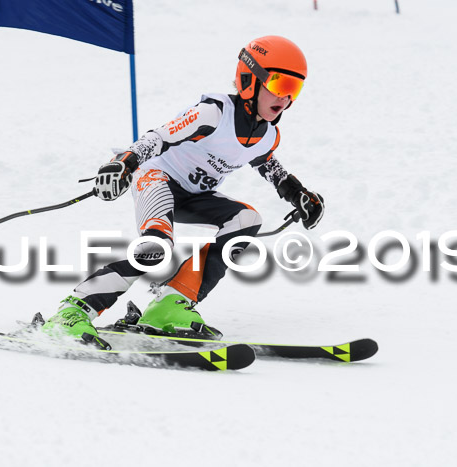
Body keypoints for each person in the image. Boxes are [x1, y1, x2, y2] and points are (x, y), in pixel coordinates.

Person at [42, 36, 325, 348]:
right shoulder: (214, 113)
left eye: (294, 89)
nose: (285, 98)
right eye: (279, 84)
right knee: (157, 246)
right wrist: (124, 163)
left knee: (246, 220)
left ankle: (169, 307)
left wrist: (296, 193)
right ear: (250, 79)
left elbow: (268, 164)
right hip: (157, 177)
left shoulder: (268, 135)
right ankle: (74, 310)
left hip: (193, 195)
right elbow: (159, 137)